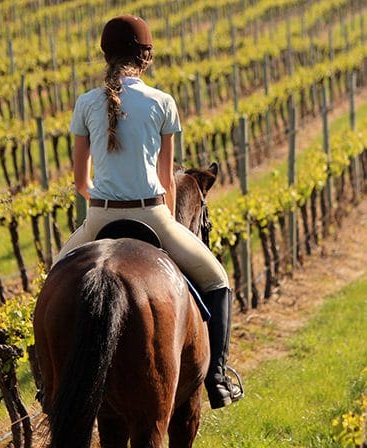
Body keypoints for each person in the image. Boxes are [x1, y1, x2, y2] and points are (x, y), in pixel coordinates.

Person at [55, 15, 243, 409]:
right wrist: (167, 220)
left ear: (106, 56)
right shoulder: (162, 102)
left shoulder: (86, 103)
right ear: (145, 59)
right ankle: (218, 378)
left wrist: (101, 202)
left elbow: (79, 181)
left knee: (53, 283)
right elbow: (167, 178)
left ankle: (49, 383)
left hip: (100, 217)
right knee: (217, 279)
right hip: (153, 216)